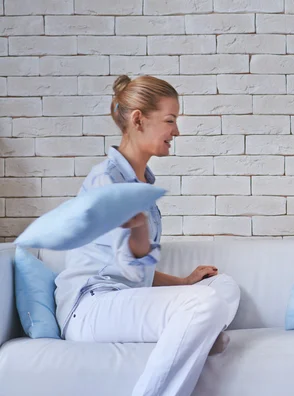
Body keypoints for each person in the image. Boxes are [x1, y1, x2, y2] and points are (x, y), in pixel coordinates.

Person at [54, 75, 240, 396]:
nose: (176, 131)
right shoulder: (106, 181)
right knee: (205, 305)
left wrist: (183, 284)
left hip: (124, 301)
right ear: (139, 119)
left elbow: (136, 272)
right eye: (170, 120)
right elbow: (126, 264)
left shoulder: (141, 185)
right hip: (90, 308)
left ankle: (192, 333)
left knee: (223, 286)